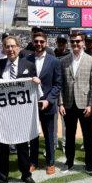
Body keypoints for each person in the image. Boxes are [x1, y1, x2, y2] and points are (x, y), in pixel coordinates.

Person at [0, 35, 39, 183]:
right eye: (7, 46)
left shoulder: (28, 65)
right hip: (3, 115)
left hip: (21, 114)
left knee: (22, 145)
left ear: (18, 47)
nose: (10, 49)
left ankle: (25, 174)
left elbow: (34, 85)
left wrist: (35, 81)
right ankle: (1, 179)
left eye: (13, 46)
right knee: (1, 146)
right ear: (3, 49)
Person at [59, 32, 92, 173]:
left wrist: (91, 104)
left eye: (78, 41)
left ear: (83, 42)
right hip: (68, 104)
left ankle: (89, 163)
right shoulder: (63, 61)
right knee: (69, 135)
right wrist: (61, 103)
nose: (75, 44)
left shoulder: (91, 60)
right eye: (73, 42)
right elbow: (60, 84)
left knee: (87, 136)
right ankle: (69, 162)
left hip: (85, 105)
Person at [26, 31, 62, 175]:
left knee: (49, 135)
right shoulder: (26, 59)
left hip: (48, 104)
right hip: (31, 104)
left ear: (46, 43)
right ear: (33, 42)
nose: (39, 44)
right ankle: (33, 161)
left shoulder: (54, 61)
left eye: (41, 41)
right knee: (33, 134)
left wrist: (49, 99)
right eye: (36, 41)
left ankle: (50, 162)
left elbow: (58, 84)